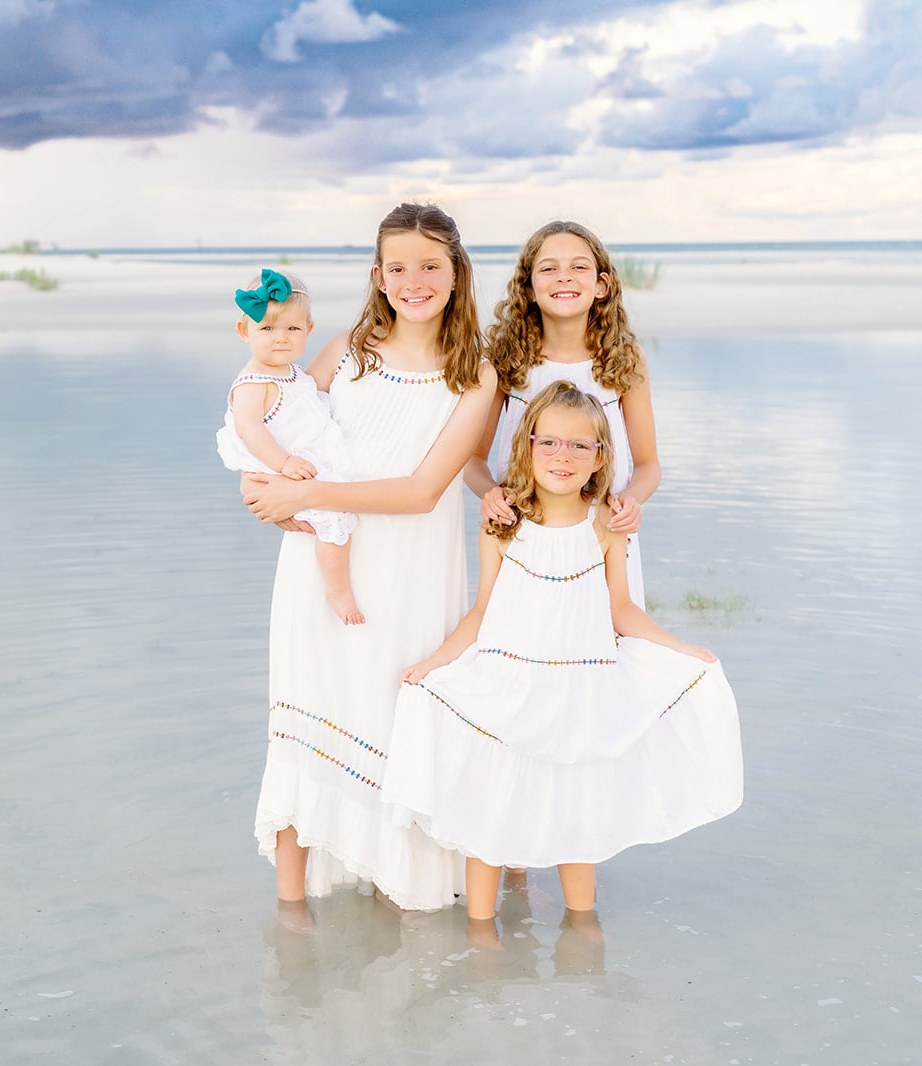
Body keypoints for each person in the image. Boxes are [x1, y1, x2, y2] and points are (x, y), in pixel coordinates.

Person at [384, 381, 743, 922]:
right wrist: (434, 665)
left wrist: (680, 647)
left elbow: (620, 610)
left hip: (580, 692)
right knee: (492, 813)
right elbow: (482, 612)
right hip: (506, 687)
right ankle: (482, 940)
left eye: (580, 446)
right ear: (526, 446)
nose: (563, 456)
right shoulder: (503, 521)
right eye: (548, 442)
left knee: (579, 817)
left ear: (600, 458)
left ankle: (583, 939)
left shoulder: (606, 524)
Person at [243, 202, 498, 913]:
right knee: (304, 714)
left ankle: (397, 904)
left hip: (411, 570)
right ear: (377, 275)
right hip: (323, 566)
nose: (414, 280)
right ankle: (290, 919)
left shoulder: (475, 373)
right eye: (398, 266)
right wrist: (258, 479)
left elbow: (424, 491)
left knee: (396, 727)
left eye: (430, 265)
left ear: (456, 272)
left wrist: (313, 490)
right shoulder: (348, 347)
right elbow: (278, 421)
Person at [464, 220, 660, 607]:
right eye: (549, 268)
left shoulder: (624, 360)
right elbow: (472, 459)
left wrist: (629, 502)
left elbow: (649, 465)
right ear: (529, 287)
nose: (564, 277)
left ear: (601, 285)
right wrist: (492, 494)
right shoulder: (506, 360)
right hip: (524, 530)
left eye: (579, 267)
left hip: (604, 533)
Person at [217, 268, 363, 625]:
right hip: (281, 462)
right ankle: (338, 589)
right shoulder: (252, 383)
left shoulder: (294, 373)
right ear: (244, 331)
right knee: (333, 518)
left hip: (302, 456)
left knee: (339, 502)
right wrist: (283, 464)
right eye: (266, 329)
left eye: (292, 329)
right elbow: (250, 430)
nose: (280, 338)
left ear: (308, 331)